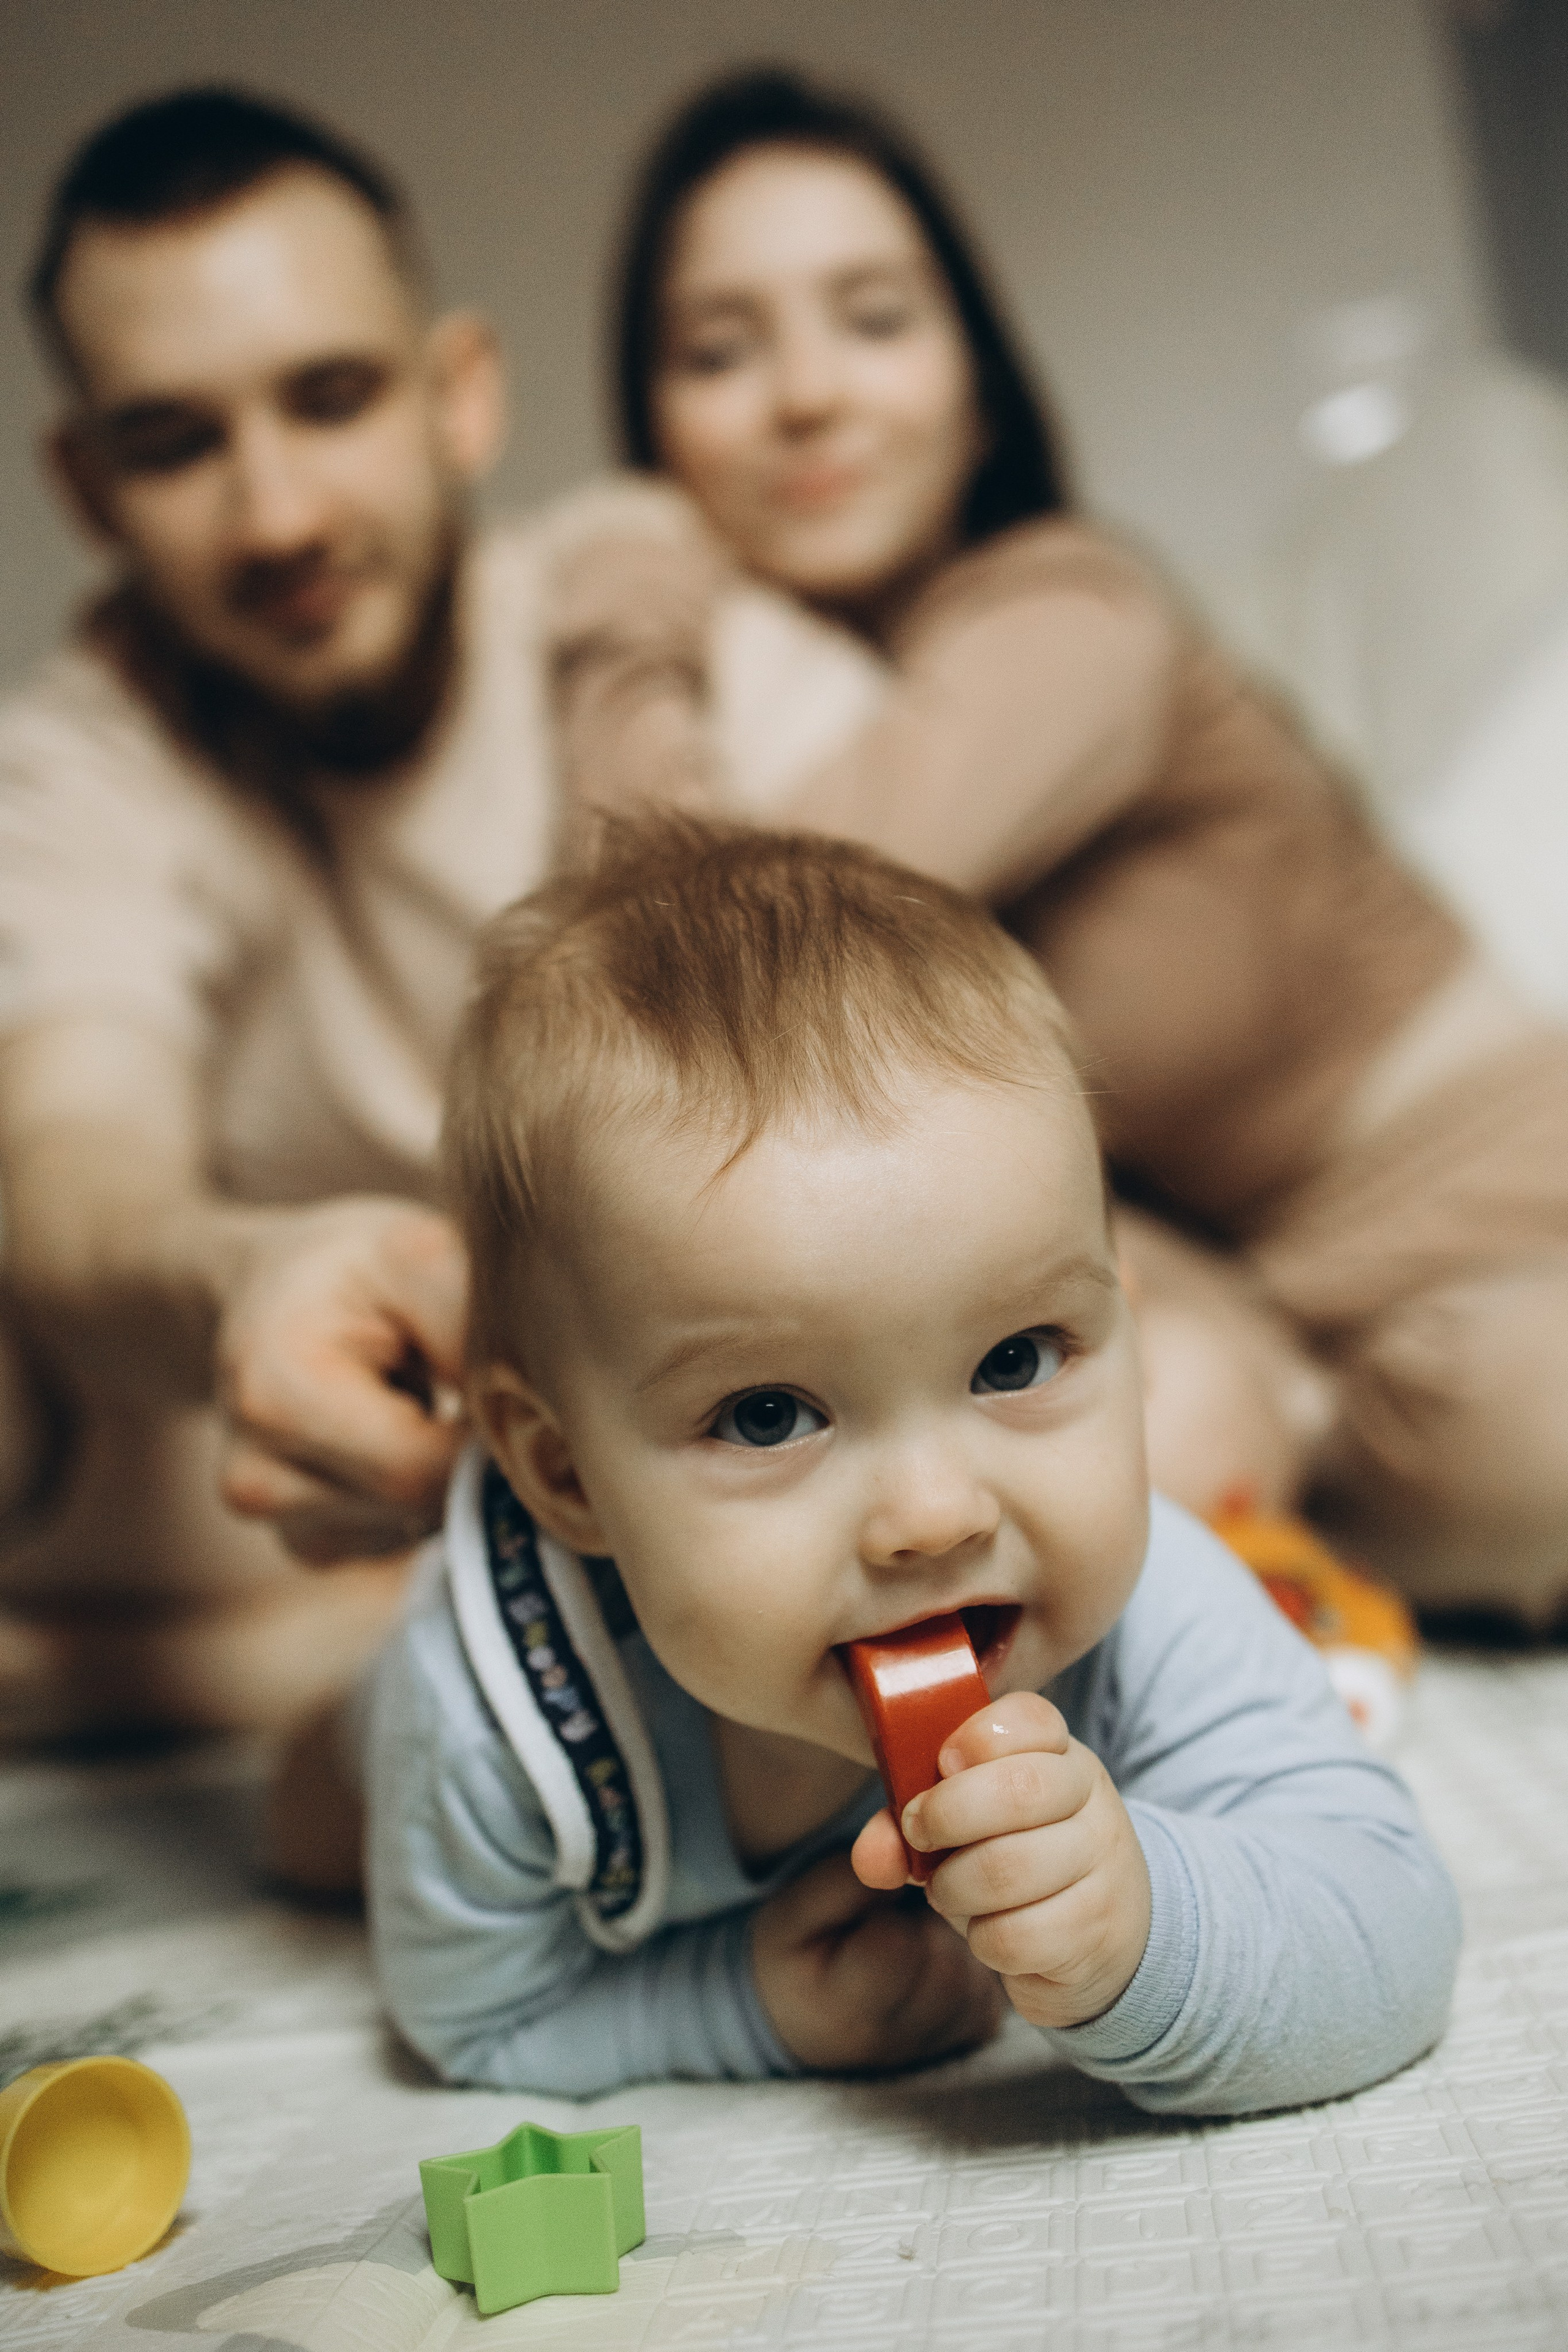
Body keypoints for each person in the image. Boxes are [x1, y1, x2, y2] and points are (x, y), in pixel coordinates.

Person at [542, 66, 1568, 1626]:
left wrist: (617, 602)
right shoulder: (795, 701)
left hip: (1491, 1214)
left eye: (873, 317)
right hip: (1248, 1303)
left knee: (1523, 1432)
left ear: (973, 375)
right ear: (658, 421)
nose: (805, 393)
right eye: (718, 349)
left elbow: (689, 930)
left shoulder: (1068, 609)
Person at [0, 85, 866, 1763]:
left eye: (329, 401)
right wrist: (245, 1272)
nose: (278, 519)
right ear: (86, 487)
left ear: (460, 395)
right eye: (176, 444)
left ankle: (101, 1676)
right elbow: (68, 1179)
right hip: (273, 1456)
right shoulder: (75, 760)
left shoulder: (655, 637)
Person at [366, 817, 1458, 2110]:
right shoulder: (500, 1715)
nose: (934, 1517)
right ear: (565, 1476)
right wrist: (743, 2003)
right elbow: (479, 2019)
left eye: (1013, 1360)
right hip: (434, 1722)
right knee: (317, 1824)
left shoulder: (1147, 1595)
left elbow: (1391, 1918)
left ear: (1117, 1320)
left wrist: (1146, 1924)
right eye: (768, 1415)